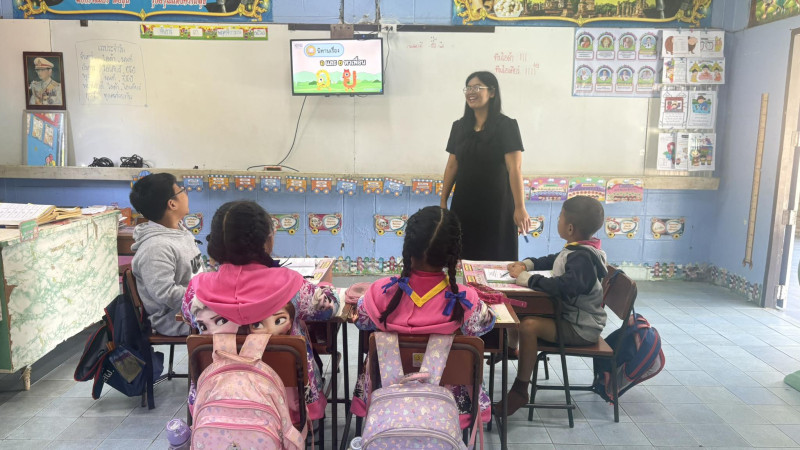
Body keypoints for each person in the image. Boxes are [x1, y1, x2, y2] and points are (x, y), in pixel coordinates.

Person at [181, 200, 339, 422]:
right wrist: (326, 290)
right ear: (267, 241)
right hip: (288, 404)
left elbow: (188, 317)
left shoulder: (196, 289)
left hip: (216, 400)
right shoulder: (292, 284)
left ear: (215, 243)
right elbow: (327, 310)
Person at [350, 206, 496, 428]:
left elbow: (361, 319)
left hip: (386, 401)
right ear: (453, 254)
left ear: (408, 246)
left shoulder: (381, 291)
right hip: (449, 407)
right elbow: (485, 323)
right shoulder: (465, 300)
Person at [499, 196, 609, 416]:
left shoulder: (583, 259)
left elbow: (565, 287)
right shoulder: (577, 249)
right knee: (518, 307)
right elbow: (553, 259)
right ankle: (511, 349)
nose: (557, 220)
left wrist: (528, 279)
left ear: (570, 228)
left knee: (528, 326)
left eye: (560, 217)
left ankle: (520, 390)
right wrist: (526, 264)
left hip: (581, 327)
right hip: (569, 317)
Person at [440, 71, 531, 262]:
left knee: (496, 257)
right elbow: (452, 166)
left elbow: (514, 169)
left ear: (492, 92)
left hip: (497, 205)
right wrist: (442, 202)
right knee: (462, 256)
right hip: (464, 204)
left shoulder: (506, 126)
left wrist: (520, 207)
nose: (471, 92)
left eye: (477, 87)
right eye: (468, 88)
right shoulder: (459, 127)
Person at [130, 173, 203, 336]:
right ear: (172, 204)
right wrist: (207, 296)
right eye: (182, 190)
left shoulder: (181, 232)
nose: (186, 194)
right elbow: (166, 293)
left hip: (197, 306)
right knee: (240, 320)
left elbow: (198, 271)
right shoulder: (155, 248)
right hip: (174, 319)